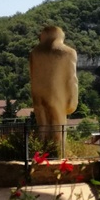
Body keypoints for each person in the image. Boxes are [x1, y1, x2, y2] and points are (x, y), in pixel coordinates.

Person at [29, 26, 78, 156]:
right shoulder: (68, 52)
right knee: (59, 126)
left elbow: (32, 75)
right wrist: (73, 100)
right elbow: (71, 79)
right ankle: (59, 154)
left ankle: (41, 152)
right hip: (57, 95)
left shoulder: (34, 53)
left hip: (38, 94)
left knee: (42, 125)